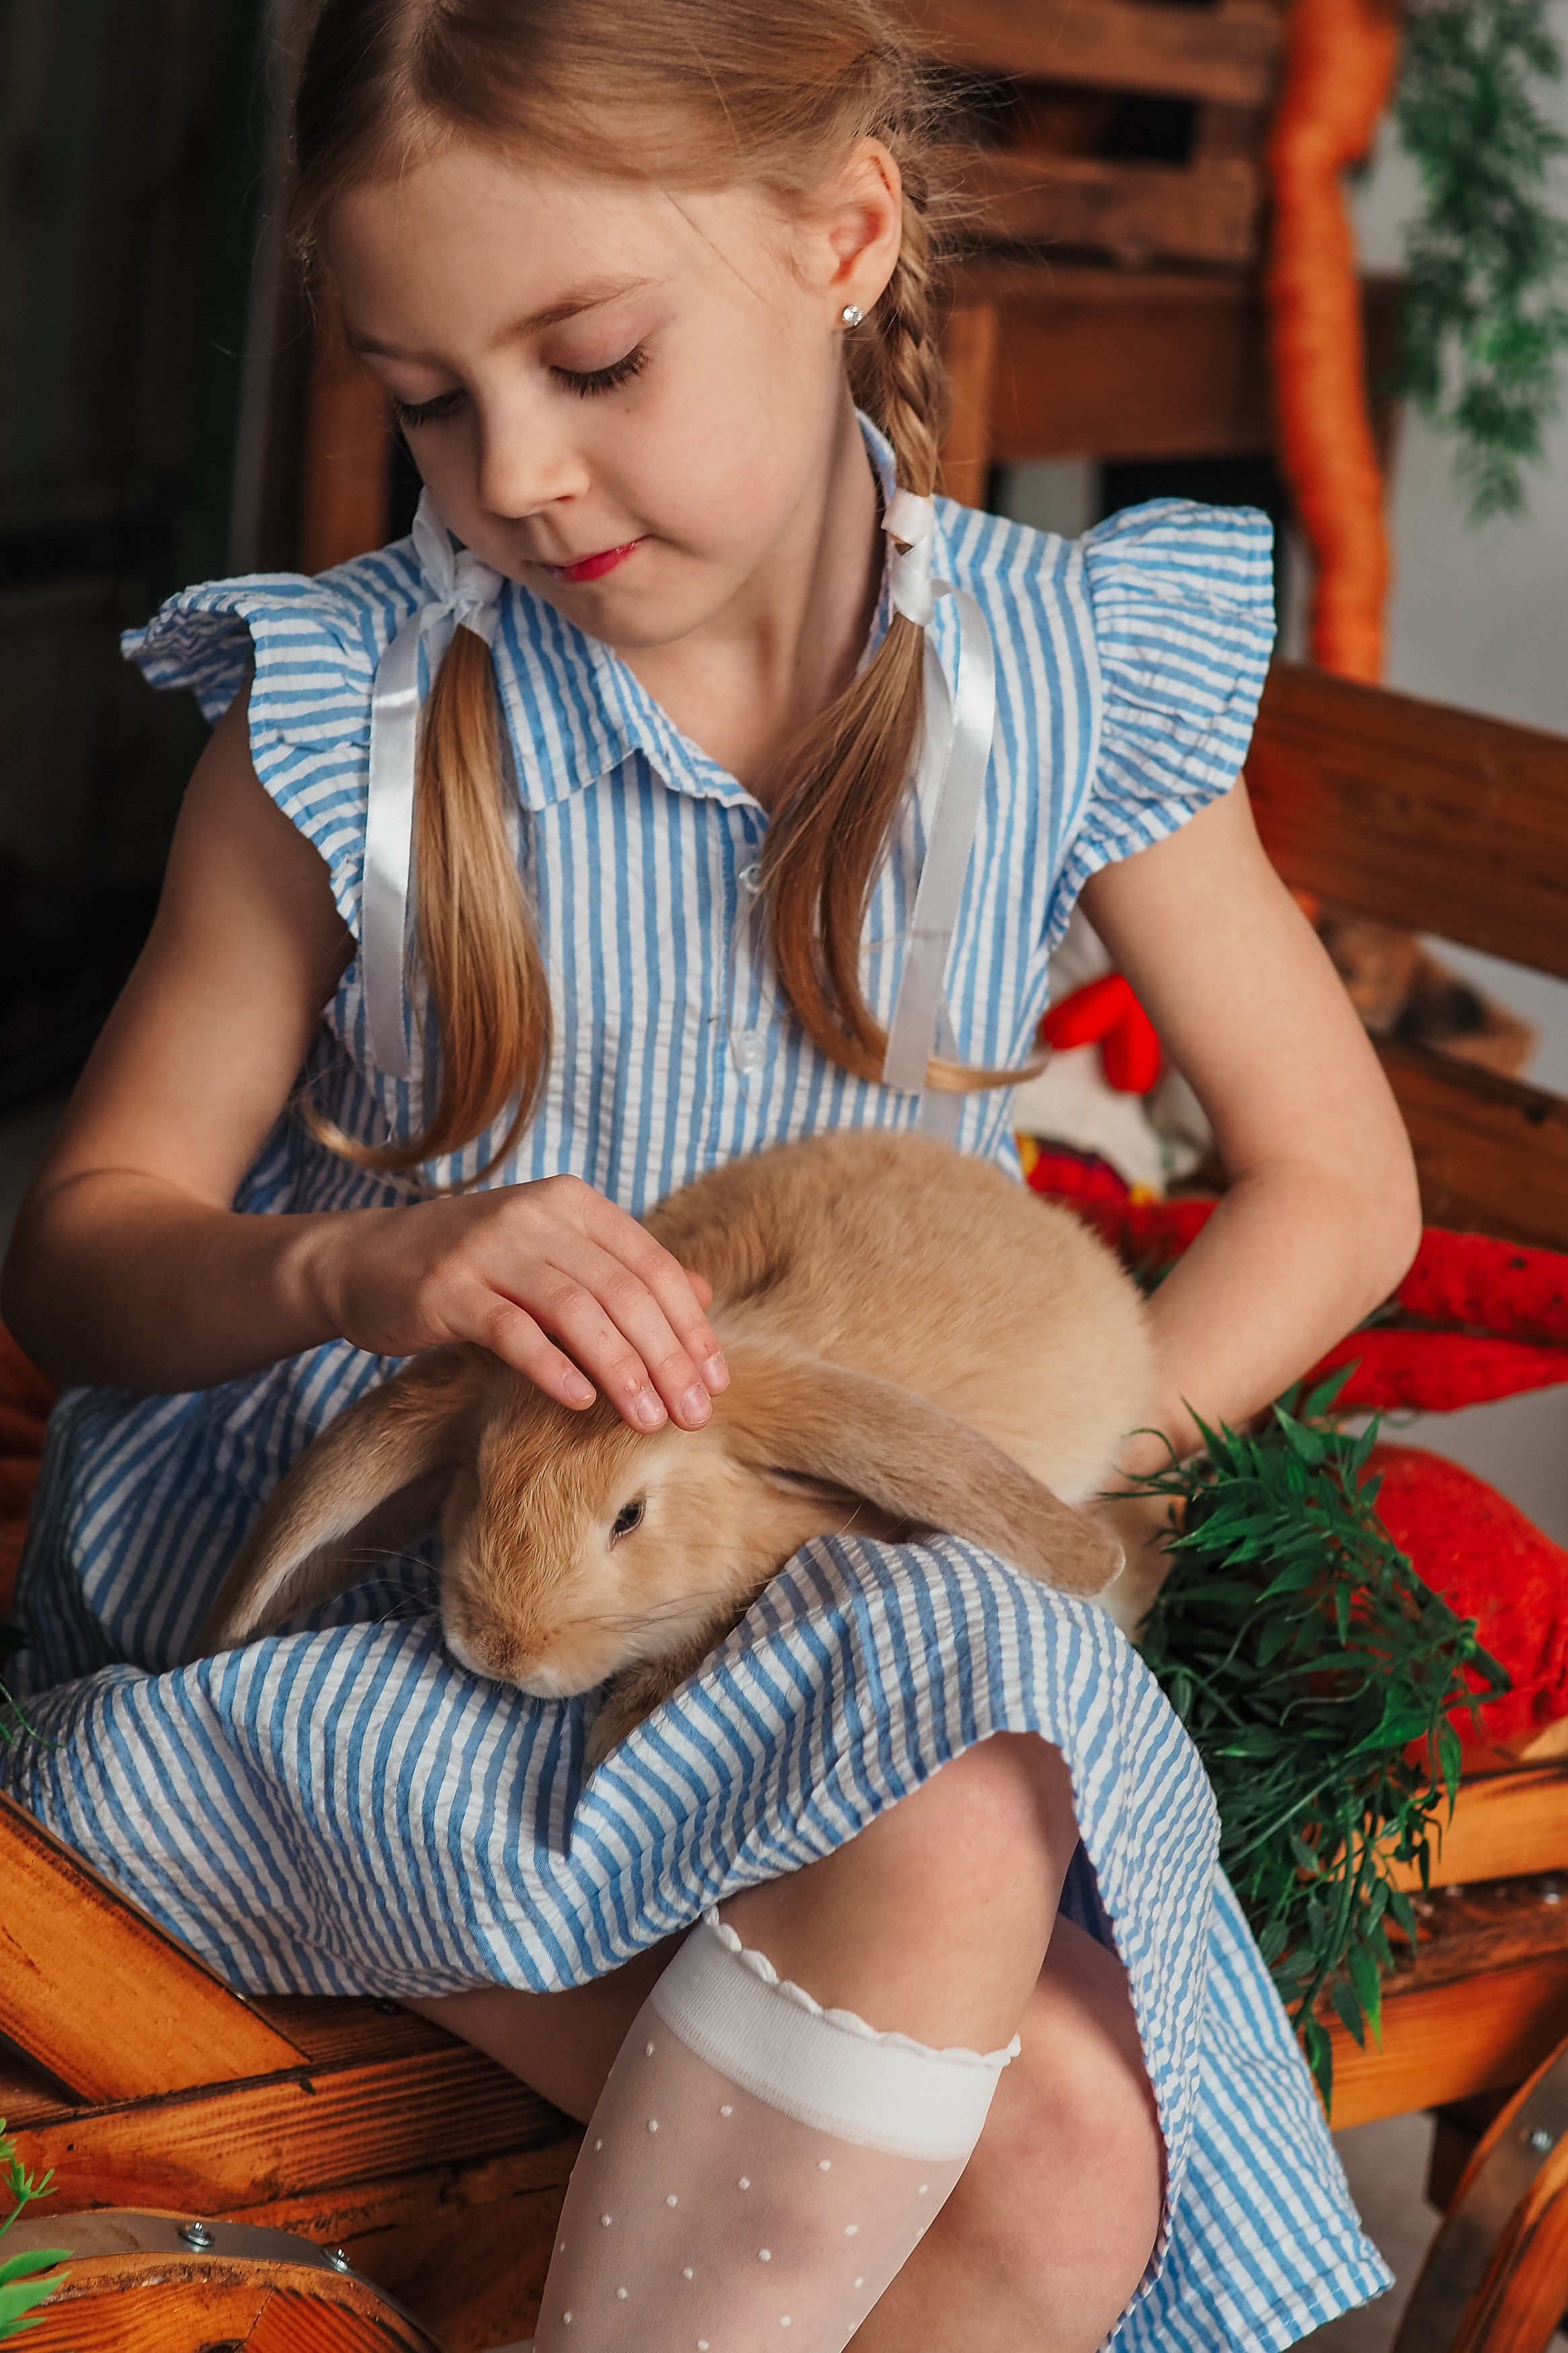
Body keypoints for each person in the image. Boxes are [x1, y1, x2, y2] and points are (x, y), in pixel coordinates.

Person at [0, 2, 1420, 2345]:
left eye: (595, 358)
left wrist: (985, 1476)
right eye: (432, 399)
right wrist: (362, 1261)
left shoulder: (1053, 672)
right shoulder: (357, 710)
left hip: (789, 1624)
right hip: (393, 1631)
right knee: (1040, 2096)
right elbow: (82, 1245)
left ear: (849, 232)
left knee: (1049, 2066)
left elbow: (1332, 1189)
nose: (518, 478)